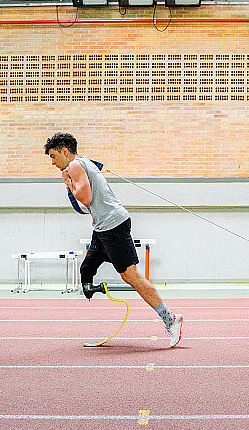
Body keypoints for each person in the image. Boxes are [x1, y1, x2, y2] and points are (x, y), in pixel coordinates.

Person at [44, 132, 183, 348]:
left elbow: (86, 198)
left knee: (131, 277)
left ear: (65, 151)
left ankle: (170, 319)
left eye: (53, 156)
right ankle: (91, 287)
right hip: (102, 229)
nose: (52, 162)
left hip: (113, 226)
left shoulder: (73, 166)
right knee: (87, 268)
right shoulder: (84, 162)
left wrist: (68, 184)